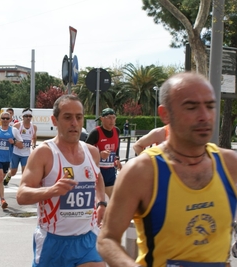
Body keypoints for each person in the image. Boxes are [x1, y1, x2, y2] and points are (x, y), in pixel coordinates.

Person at [97, 72, 237, 267]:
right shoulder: (142, 171)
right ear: (165, 114)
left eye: (210, 106)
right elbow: (107, 239)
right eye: (191, 107)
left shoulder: (231, 165)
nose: (204, 116)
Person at [16, 95, 106, 267]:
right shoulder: (44, 153)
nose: (74, 122)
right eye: (67, 117)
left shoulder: (92, 152)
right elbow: (22, 195)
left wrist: (101, 202)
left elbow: (98, 177)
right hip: (54, 242)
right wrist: (52, 190)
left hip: (87, 239)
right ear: (54, 120)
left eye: (78, 117)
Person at [0, 111, 23, 210]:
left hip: (7, 158)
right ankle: (3, 200)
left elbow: (21, 145)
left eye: (7, 118)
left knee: (1, 178)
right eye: (3, 118)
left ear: (10, 120)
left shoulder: (14, 131)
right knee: (0, 178)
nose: (5, 120)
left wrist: (14, 142)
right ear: (0, 119)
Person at [86, 108, 122, 198]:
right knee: (98, 200)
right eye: (109, 118)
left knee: (114, 199)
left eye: (114, 118)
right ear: (102, 119)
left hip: (110, 171)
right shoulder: (95, 132)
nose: (112, 121)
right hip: (98, 171)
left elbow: (116, 148)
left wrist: (117, 159)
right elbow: (85, 150)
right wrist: (99, 154)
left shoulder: (116, 131)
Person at [3, 108, 37, 186]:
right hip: (16, 152)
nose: (28, 118)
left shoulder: (34, 127)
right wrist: (16, 143)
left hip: (26, 153)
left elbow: (34, 137)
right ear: (23, 117)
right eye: (26, 116)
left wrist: (34, 145)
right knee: (13, 172)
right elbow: (10, 138)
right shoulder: (17, 126)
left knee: (25, 171)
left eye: (30, 116)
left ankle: (22, 186)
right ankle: (8, 176)